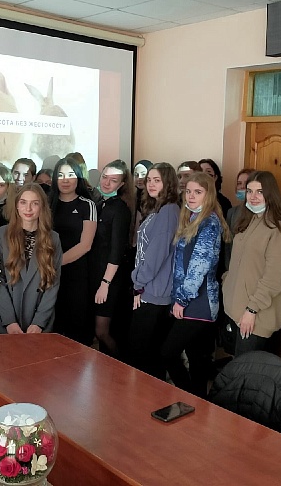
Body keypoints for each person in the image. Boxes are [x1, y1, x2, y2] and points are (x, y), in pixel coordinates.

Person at [161, 172, 229, 397]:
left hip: (198, 303)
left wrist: (181, 300)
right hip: (191, 300)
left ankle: (189, 396)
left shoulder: (209, 222)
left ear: (209, 195)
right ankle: (197, 403)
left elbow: (199, 266)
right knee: (197, 359)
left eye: (198, 192)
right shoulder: (191, 218)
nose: (191, 196)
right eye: (188, 191)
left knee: (168, 353)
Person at [222, 170, 281, 356]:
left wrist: (252, 310)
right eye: (249, 191)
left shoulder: (280, 227)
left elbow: (273, 277)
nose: (253, 197)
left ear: (270, 194)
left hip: (257, 315)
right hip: (235, 309)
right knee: (237, 364)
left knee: (245, 368)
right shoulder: (247, 220)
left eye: (260, 192)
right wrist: (226, 282)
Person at [128, 162, 180, 379]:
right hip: (149, 288)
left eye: (157, 180)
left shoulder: (168, 211)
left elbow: (156, 255)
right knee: (146, 353)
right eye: (149, 180)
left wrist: (138, 284)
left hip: (153, 292)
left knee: (143, 354)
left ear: (168, 183)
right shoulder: (159, 208)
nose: (150, 184)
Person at [0, 184, 62, 334]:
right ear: (17, 205)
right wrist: (9, 321)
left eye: (35, 203)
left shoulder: (53, 238)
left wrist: (39, 322)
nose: (28, 209)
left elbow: (53, 283)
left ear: (42, 207)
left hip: (40, 320)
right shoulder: (2, 234)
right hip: (8, 318)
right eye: (23, 202)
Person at [49, 156, 97, 345]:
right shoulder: (47, 203)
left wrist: (55, 263)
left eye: (70, 175)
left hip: (77, 275)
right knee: (53, 328)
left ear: (78, 177)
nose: (65, 180)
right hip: (49, 275)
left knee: (77, 329)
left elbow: (85, 245)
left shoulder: (87, 205)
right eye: (61, 175)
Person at [92, 160, 133, 355]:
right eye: (105, 177)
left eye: (113, 180)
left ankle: (122, 364)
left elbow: (116, 251)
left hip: (109, 278)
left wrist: (105, 283)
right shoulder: (99, 203)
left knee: (102, 331)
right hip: (96, 274)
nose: (107, 183)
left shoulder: (120, 209)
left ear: (122, 184)